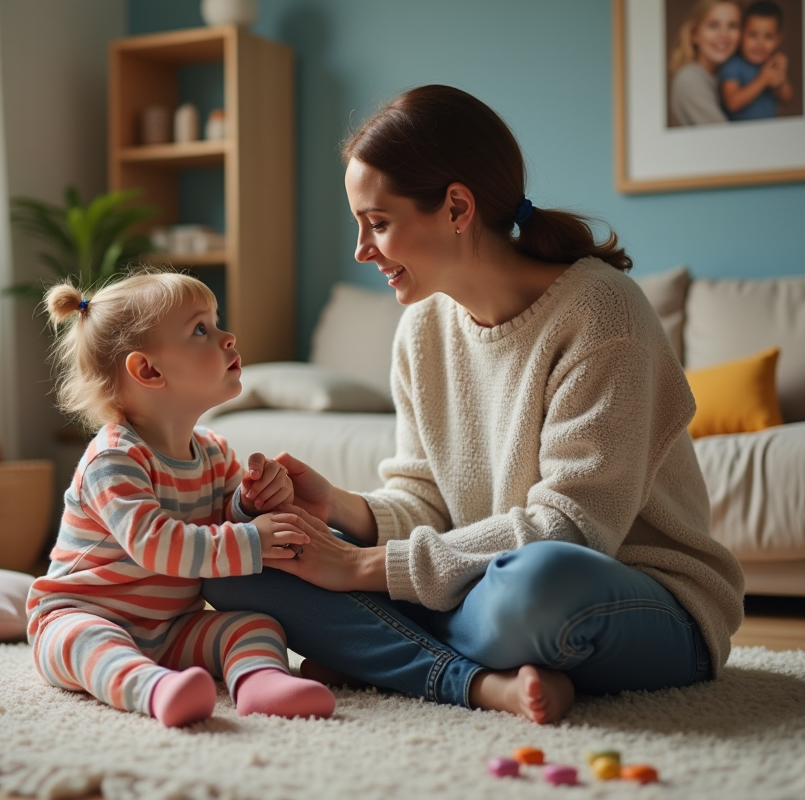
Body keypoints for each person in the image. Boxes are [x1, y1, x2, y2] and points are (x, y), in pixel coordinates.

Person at [203, 85, 746, 725]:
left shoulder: (603, 315)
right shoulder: (422, 327)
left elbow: (572, 529)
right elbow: (427, 499)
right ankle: (479, 680)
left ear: (457, 207)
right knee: (235, 557)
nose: (361, 250)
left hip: (632, 598)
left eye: (378, 223)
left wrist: (358, 566)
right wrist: (338, 508)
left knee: (530, 592)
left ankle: (382, 652)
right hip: (480, 582)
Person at [26, 270, 335, 727]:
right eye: (201, 330)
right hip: (81, 613)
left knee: (254, 625)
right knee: (85, 642)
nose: (228, 337)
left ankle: (261, 683)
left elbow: (224, 518)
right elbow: (155, 543)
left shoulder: (213, 451)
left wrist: (253, 504)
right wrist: (251, 540)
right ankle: (153, 688)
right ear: (148, 370)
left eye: (217, 322)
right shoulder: (114, 457)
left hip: (170, 628)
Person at [668, 0, 743, 126]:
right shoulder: (689, 78)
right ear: (695, 34)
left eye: (732, 26)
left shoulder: (724, 77)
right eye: (713, 25)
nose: (723, 34)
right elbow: (724, 139)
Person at [719, 1, 794, 121]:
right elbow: (732, 103)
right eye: (753, 35)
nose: (760, 44)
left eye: (768, 36)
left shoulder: (772, 64)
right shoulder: (733, 65)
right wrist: (763, 80)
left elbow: (788, 98)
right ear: (741, 34)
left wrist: (781, 79)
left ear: (779, 39)